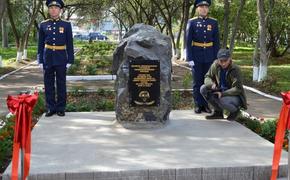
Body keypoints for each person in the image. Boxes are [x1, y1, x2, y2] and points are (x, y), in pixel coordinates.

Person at [37, 0, 74, 117]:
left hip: (61, 58)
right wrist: (40, 60)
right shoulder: (43, 24)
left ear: (60, 10)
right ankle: (50, 108)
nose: (53, 9)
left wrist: (70, 59)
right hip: (47, 57)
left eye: (56, 8)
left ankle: (61, 108)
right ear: (48, 10)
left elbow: (70, 43)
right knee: (48, 83)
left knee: (61, 83)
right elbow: (40, 44)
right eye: (51, 7)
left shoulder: (66, 24)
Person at [186, 0, 220, 114]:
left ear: (208, 9)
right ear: (197, 9)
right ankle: (197, 105)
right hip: (196, 56)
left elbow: (216, 42)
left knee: (208, 82)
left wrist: (217, 58)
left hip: (210, 57)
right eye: (201, 7)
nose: (204, 9)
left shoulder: (214, 22)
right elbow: (188, 42)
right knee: (197, 82)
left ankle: (206, 105)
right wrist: (189, 58)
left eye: (206, 7)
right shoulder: (192, 22)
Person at [200, 49, 247, 120]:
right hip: (220, 90)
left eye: (225, 61)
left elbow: (238, 88)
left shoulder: (235, 69)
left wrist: (222, 94)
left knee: (221, 99)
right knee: (203, 89)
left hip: (234, 96)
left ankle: (235, 111)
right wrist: (211, 84)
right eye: (221, 61)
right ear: (218, 60)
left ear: (230, 59)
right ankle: (218, 112)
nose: (223, 63)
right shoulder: (215, 65)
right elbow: (207, 76)